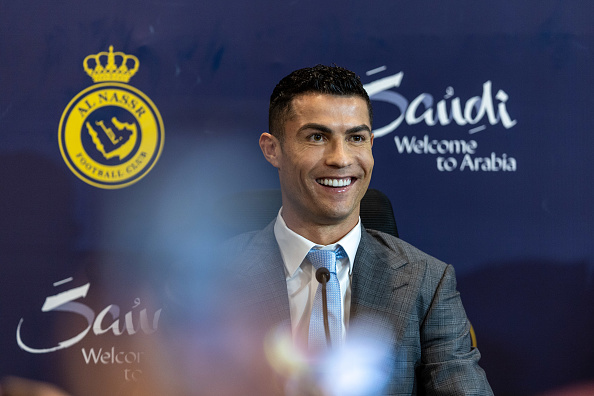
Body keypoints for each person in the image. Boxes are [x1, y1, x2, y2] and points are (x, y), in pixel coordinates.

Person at [227, 65, 493, 395]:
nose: (341, 159)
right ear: (272, 150)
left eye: (356, 138)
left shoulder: (428, 282)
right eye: (317, 137)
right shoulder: (209, 281)